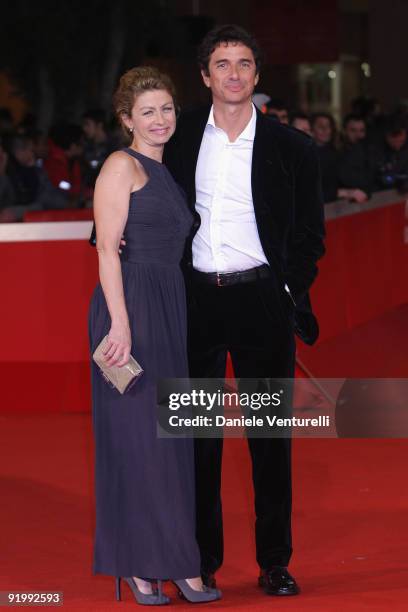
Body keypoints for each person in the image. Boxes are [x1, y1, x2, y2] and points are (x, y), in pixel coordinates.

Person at [164, 25, 325, 597]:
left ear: (257, 75)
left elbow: (310, 237)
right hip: (195, 305)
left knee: (268, 439)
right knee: (197, 441)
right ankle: (200, 560)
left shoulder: (294, 148)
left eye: (244, 64)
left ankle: (274, 562)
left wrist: (287, 292)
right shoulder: (177, 141)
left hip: (263, 303)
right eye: (222, 64)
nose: (234, 74)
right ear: (205, 76)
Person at [88, 66, 221, 605]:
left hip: (169, 308)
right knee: (140, 443)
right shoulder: (121, 165)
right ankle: (142, 564)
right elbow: (105, 249)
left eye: (167, 109)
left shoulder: (166, 171)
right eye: (148, 111)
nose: (160, 119)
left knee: (172, 440)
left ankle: (178, 560)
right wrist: (121, 323)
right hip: (132, 311)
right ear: (127, 119)